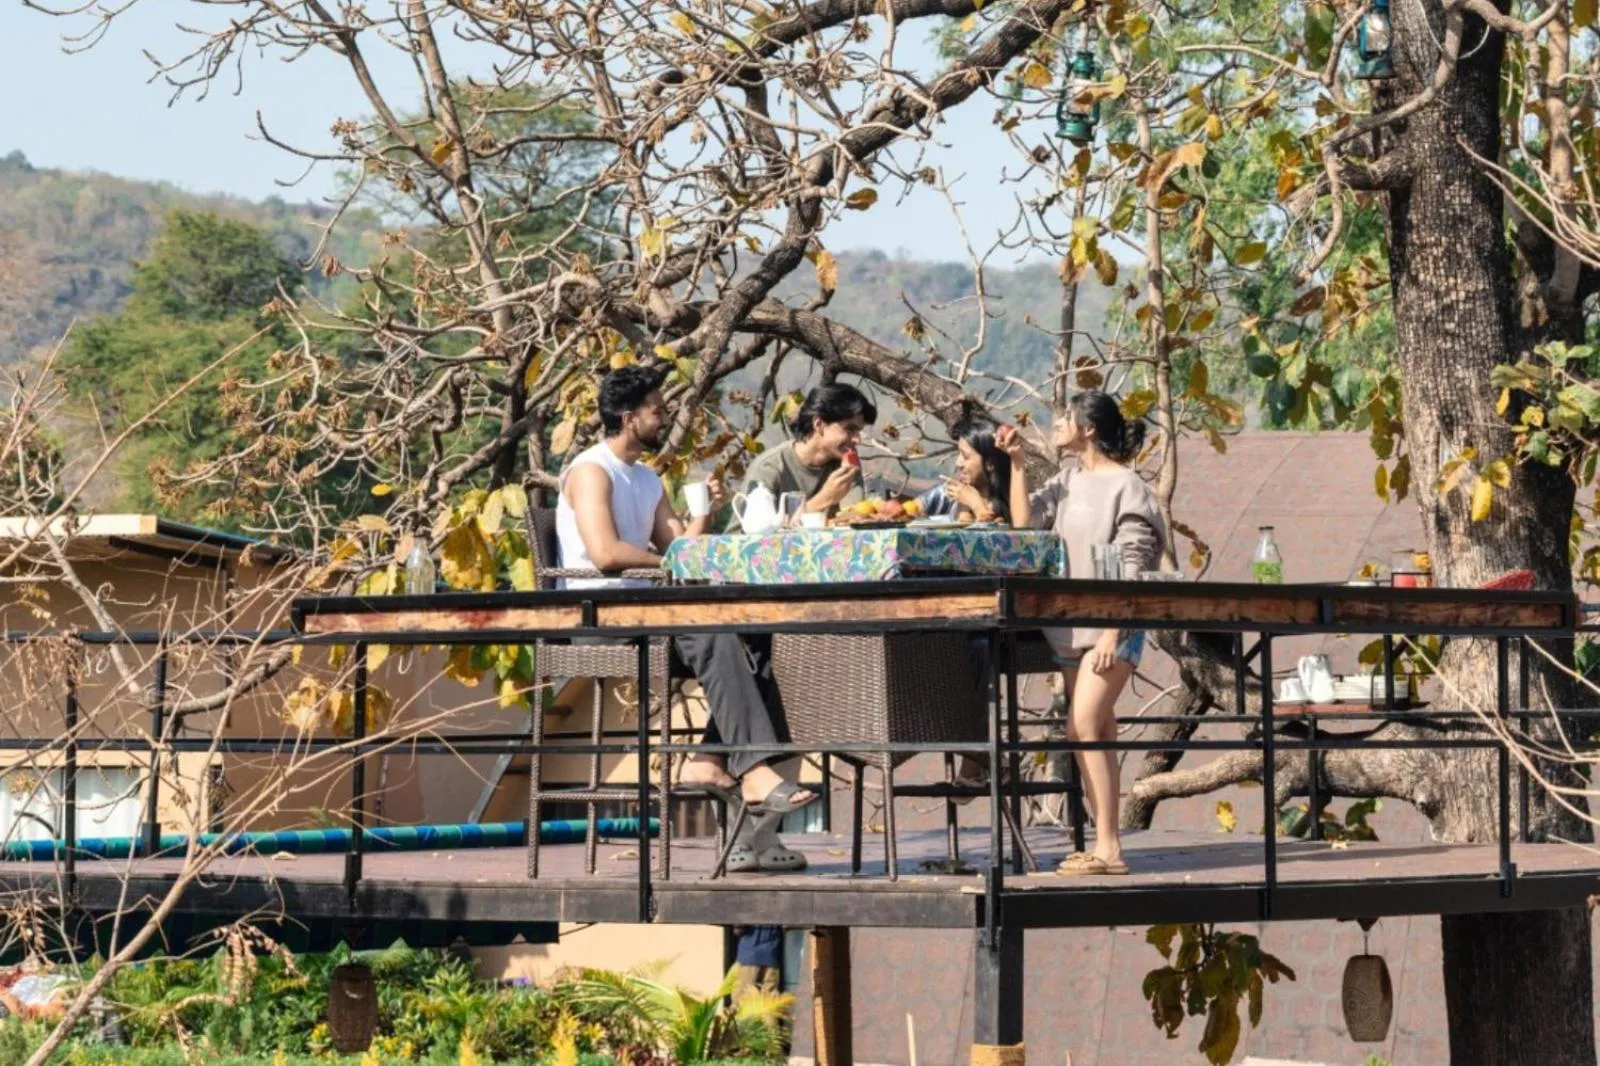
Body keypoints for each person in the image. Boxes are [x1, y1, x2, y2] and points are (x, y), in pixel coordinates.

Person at [557, 366, 818, 859]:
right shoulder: (591, 471)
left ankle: (707, 759)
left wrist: (702, 515)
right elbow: (607, 553)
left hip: (649, 612)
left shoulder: (646, 477)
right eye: (657, 410)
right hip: (601, 617)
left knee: (757, 635)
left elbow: (681, 549)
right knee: (711, 632)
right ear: (629, 417)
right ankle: (753, 769)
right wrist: (670, 561)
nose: (666, 417)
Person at [1010, 391, 1167, 877]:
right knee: (1096, 729)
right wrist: (1016, 463)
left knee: (1081, 727)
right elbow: (1024, 523)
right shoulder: (1067, 480)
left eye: (1065, 417)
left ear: (1089, 427)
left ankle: (1109, 847)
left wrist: (1111, 631)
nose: (1056, 424)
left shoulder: (1128, 487)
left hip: (1113, 627)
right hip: (1068, 631)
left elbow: (1135, 564)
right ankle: (1106, 843)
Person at [742, 383, 876, 519]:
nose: (857, 440)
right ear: (819, 424)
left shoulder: (845, 464)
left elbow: (854, 519)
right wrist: (825, 498)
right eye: (849, 429)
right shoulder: (769, 468)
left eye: (858, 431)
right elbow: (751, 535)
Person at [916, 422, 1029, 525]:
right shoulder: (948, 494)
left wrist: (977, 506)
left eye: (965, 456)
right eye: (958, 454)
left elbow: (1011, 538)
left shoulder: (1011, 506)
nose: (958, 463)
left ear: (990, 464)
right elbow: (909, 509)